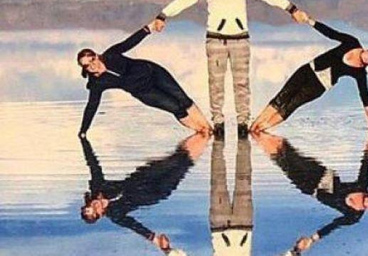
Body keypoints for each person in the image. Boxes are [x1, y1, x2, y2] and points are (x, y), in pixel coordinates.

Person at [154, 0, 308, 139]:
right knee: (216, 84)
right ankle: (218, 121)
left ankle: (243, 121)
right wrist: (163, 15)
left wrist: (292, 9)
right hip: (216, 41)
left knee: (242, 83)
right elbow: (184, 0)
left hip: (240, 40)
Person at [254, 131, 368, 255]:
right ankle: (259, 134)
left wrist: (311, 240)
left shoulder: (354, 216)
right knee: (291, 156)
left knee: (283, 164)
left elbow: (332, 226)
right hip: (321, 176)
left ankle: (258, 136)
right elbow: (366, 160)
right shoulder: (362, 185)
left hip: (312, 190)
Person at [250, 18, 368, 133]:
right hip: (309, 69)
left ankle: (261, 129)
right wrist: (310, 21)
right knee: (282, 96)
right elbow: (331, 33)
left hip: (319, 86)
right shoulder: (352, 42)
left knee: (291, 105)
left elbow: (365, 96)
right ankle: (253, 126)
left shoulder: (360, 72)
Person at [79, 134, 207, 255]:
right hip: (156, 192)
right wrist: (157, 241)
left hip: (145, 176)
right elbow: (134, 226)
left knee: (177, 158)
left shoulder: (98, 188)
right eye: (94, 210)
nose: (94, 204)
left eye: (89, 206)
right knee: (184, 165)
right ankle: (205, 136)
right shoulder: (115, 214)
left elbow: (93, 165)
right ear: (100, 214)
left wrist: (84, 142)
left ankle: (204, 134)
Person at [77, 23, 211, 137]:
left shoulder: (111, 55)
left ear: (96, 56)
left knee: (183, 100)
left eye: (92, 60)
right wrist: (83, 130)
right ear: (84, 69)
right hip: (143, 91)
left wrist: (148, 28)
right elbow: (91, 106)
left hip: (153, 72)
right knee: (176, 108)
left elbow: (129, 43)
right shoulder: (97, 83)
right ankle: (201, 131)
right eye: (87, 65)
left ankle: (209, 129)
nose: (92, 65)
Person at [210, 134, 253, 256]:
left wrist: (168, 251)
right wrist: (295, 251)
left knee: (217, 180)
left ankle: (218, 134)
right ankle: (242, 131)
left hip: (219, 226)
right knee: (244, 177)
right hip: (244, 224)